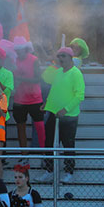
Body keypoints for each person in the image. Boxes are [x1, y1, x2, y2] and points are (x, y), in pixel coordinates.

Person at [37, 47, 86, 183]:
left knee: (68, 144)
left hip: (69, 116)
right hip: (54, 113)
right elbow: (51, 86)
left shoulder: (76, 73)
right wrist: (46, 104)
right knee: (49, 143)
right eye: (59, 56)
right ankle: (49, 171)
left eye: (64, 56)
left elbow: (79, 95)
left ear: (71, 58)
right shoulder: (58, 72)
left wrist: (66, 109)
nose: (61, 59)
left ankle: (69, 171)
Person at [12, 39, 44, 154]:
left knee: (40, 127)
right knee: (20, 127)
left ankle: (44, 154)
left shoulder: (34, 60)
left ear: (26, 49)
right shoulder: (14, 60)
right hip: (19, 100)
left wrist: (22, 79)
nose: (18, 52)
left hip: (35, 98)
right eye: (16, 50)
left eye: (20, 50)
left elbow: (38, 78)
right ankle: (24, 154)